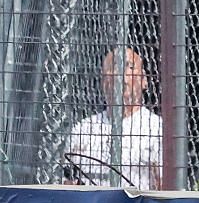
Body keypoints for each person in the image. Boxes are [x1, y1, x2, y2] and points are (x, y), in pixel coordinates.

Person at [64, 46, 164, 189]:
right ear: (103, 81)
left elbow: (164, 191)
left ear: (144, 80)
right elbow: (69, 185)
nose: (120, 74)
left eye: (129, 67)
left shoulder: (156, 129)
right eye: (114, 67)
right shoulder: (82, 129)